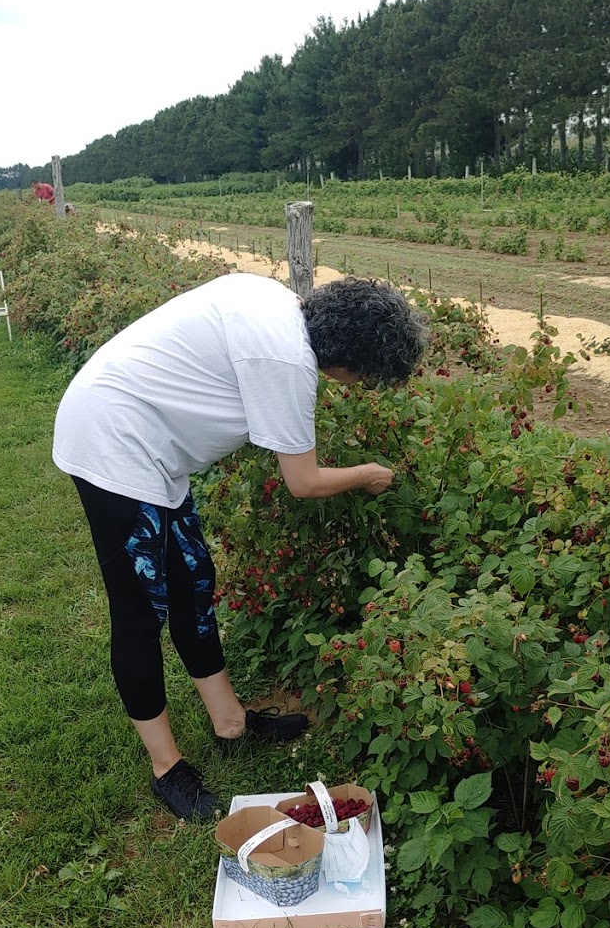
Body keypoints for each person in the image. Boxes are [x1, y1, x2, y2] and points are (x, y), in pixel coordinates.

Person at [52, 271, 426, 821]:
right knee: (139, 610)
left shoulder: (277, 302)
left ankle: (231, 723)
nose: (359, 387)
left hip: (148, 442)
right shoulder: (287, 362)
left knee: (193, 582)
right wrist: (369, 473)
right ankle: (166, 767)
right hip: (113, 443)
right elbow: (304, 481)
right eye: (366, 379)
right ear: (351, 360)